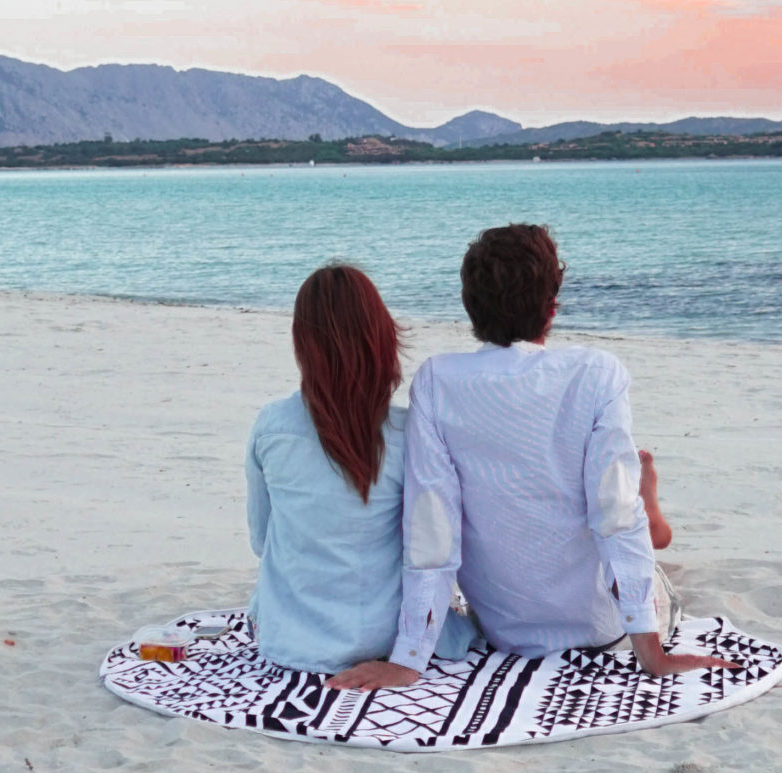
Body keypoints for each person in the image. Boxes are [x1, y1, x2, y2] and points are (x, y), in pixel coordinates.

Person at [328, 222, 735, 690]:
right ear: (552, 307)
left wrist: (409, 660)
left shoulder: (438, 382)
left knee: (627, 523)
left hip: (506, 632)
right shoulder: (597, 374)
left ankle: (652, 510)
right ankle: (654, 508)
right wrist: (652, 654)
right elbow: (616, 519)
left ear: (470, 308)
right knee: (646, 539)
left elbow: (431, 527)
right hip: (602, 629)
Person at [245, 263, 410, 673]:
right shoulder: (408, 433)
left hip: (289, 640)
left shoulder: (272, 427)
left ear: (303, 344)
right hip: (385, 637)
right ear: (382, 338)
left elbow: (262, 539)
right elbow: (425, 547)